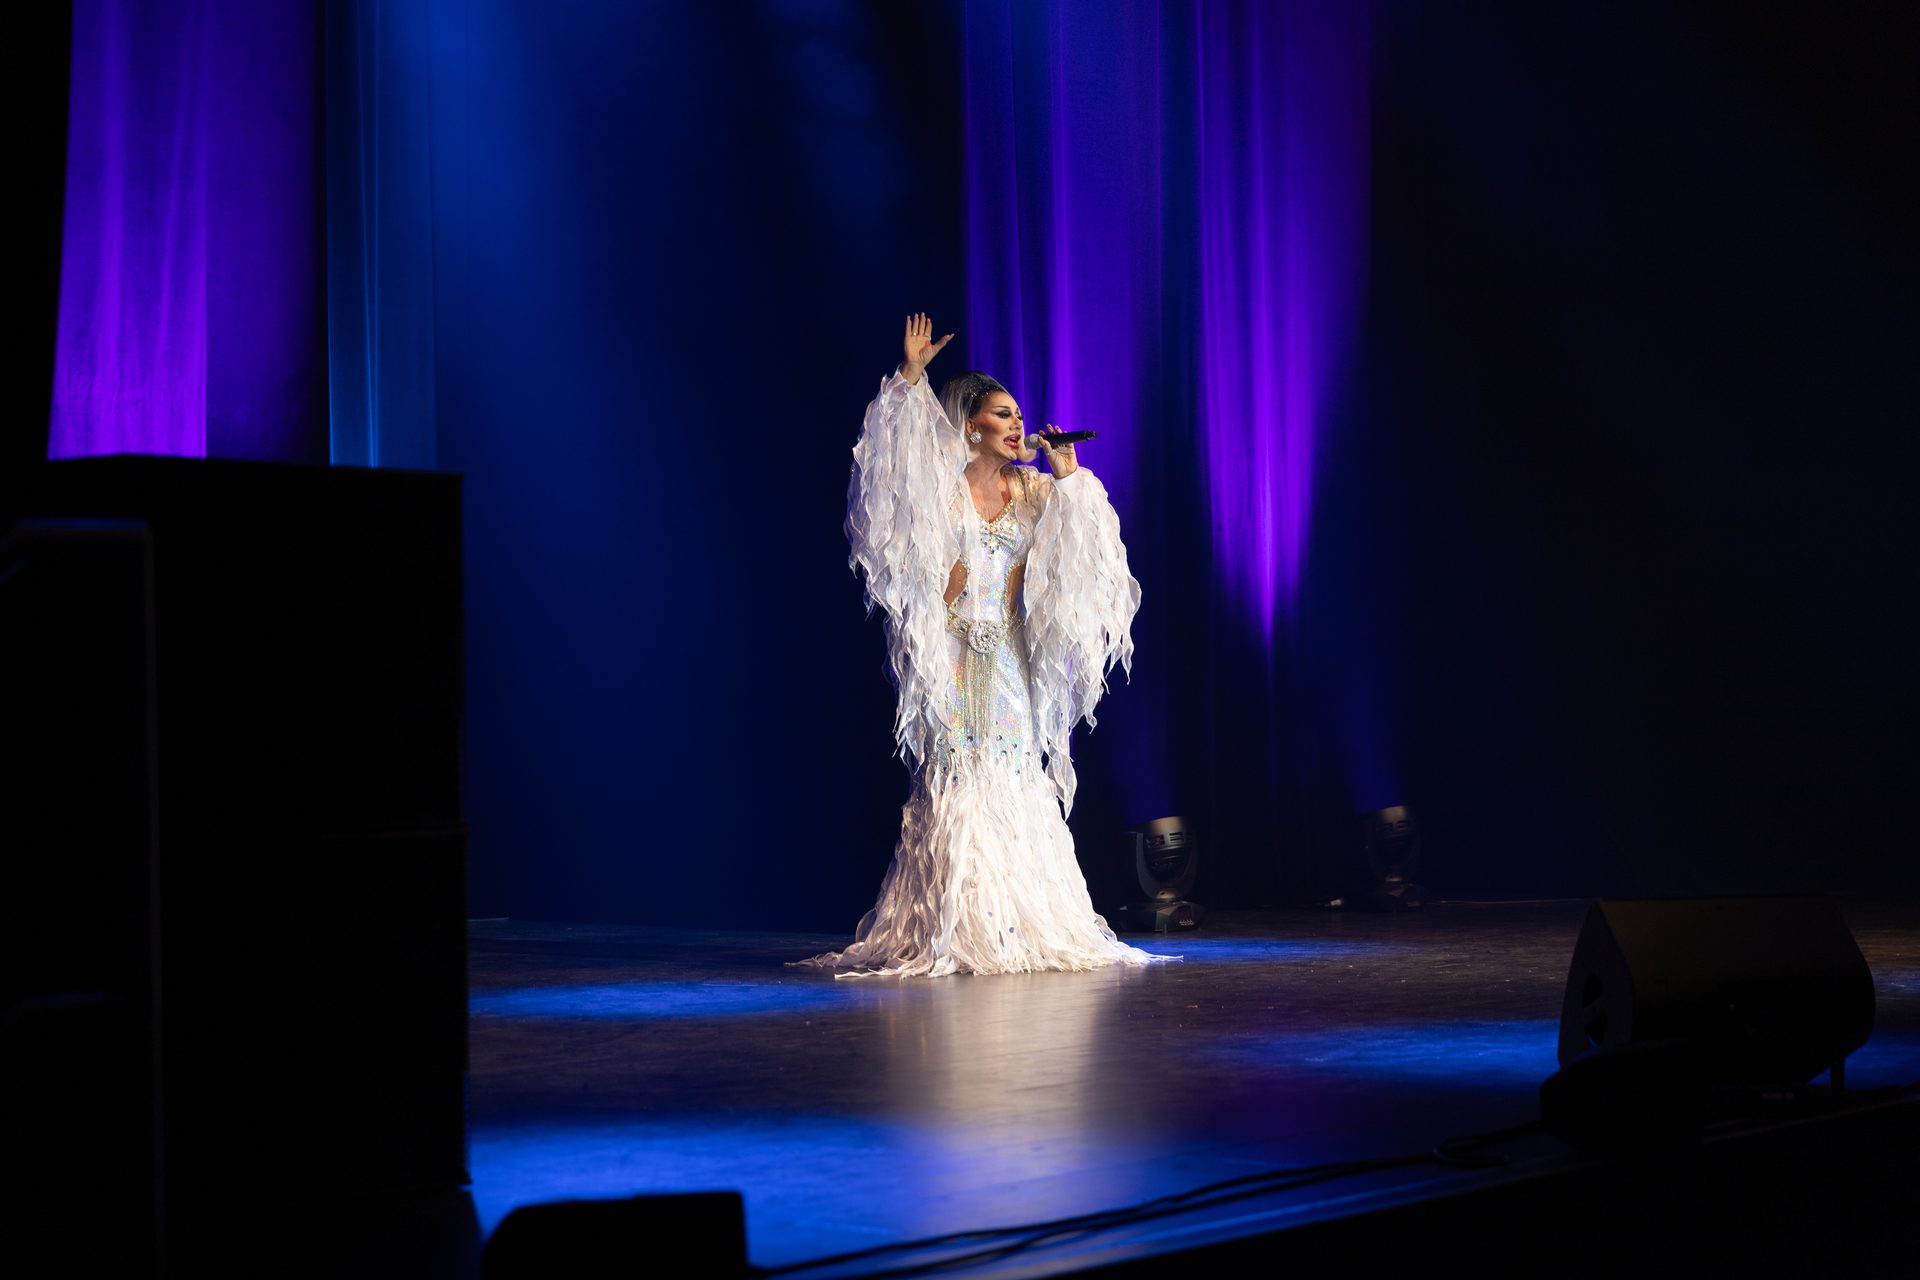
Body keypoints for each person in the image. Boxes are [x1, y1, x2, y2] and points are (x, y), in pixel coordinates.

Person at [795, 314, 1163, 977]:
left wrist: (1070, 476)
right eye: (1003, 415)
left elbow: (1086, 551)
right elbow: (888, 477)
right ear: (970, 426)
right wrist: (910, 378)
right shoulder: (940, 491)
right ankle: (956, 925)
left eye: (1019, 415)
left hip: (1010, 661)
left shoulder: (1031, 490)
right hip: (954, 656)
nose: (1018, 426)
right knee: (957, 779)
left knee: (1012, 776)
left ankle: (1019, 923)